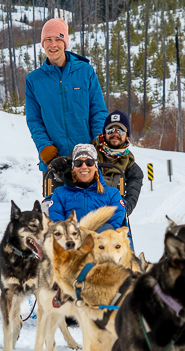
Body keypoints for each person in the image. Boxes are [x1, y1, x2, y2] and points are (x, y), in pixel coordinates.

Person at [24, 17, 108, 173]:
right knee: (56, 199)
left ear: (65, 42)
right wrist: (44, 147)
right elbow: (34, 121)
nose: (53, 44)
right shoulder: (33, 80)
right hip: (55, 163)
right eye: (48, 39)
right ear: (43, 43)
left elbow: (98, 111)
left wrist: (99, 140)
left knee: (91, 198)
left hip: (87, 161)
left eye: (58, 39)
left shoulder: (85, 71)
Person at [46, 144, 126, 230]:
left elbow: (114, 226)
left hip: (101, 240)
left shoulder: (112, 194)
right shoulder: (60, 193)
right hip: (71, 240)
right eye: (78, 163)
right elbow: (57, 224)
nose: (84, 167)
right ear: (73, 167)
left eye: (89, 163)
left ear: (95, 167)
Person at [97, 110, 144, 216]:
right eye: (111, 130)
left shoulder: (133, 169)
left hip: (112, 217)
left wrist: (122, 209)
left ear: (127, 135)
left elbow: (130, 200)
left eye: (121, 131)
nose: (115, 134)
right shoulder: (88, 156)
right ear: (104, 133)